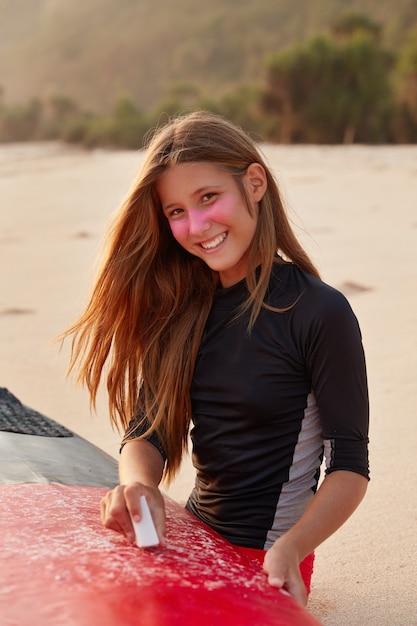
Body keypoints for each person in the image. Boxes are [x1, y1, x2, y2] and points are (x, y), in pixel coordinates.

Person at [63, 110, 369, 607]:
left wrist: (292, 549)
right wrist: (138, 487)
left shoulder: (317, 311)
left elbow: (349, 467)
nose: (197, 225)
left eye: (208, 198)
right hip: (191, 538)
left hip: (267, 559)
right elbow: (148, 431)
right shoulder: (183, 309)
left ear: (253, 183)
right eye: (176, 212)